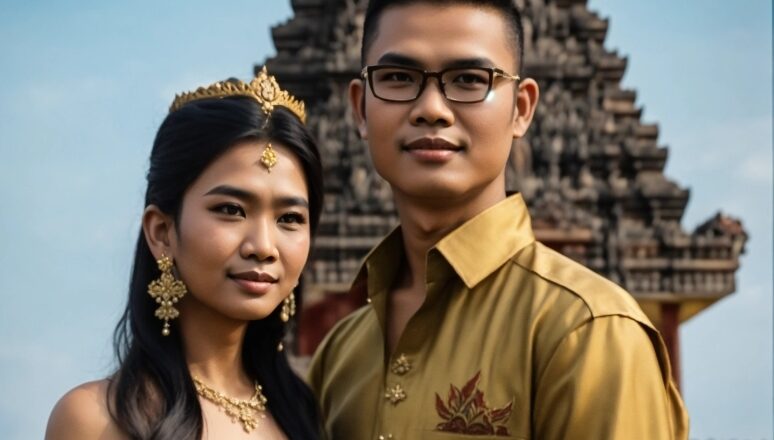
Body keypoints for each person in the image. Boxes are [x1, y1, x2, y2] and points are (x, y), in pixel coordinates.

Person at [307, 1, 689, 439]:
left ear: (521, 109)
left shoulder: (588, 331)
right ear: (360, 108)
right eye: (398, 78)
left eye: (469, 79)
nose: (431, 108)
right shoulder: (339, 357)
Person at [46, 68, 323, 439]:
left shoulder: (307, 415)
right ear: (162, 232)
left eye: (289, 218)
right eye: (231, 210)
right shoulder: (96, 420)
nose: (263, 246)